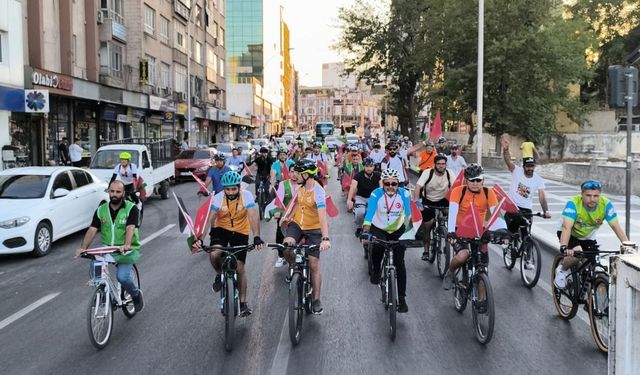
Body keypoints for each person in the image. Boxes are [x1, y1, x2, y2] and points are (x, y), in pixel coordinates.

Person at [192, 171, 265, 317]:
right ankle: (219, 274)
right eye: (227, 189)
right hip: (221, 230)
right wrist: (200, 239)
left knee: (240, 267)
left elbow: (252, 216)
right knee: (215, 254)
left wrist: (257, 237)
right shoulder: (218, 198)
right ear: (223, 189)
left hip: (240, 231)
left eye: (233, 189)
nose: (230, 192)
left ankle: (243, 303)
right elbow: (208, 220)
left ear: (239, 187)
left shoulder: (247, 196)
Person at [75, 180, 144, 312]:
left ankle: (135, 295)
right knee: (96, 269)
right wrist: (83, 248)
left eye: (118, 192)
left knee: (122, 276)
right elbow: (92, 230)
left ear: (123, 193)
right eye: (112, 191)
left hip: (127, 250)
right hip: (108, 248)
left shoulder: (131, 208)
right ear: (108, 192)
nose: (114, 194)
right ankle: (102, 293)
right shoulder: (101, 210)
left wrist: (127, 244)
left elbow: (130, 227)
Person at [553, 181, 628, 288]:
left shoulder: (606, 205)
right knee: (577, 254)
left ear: (600, 195)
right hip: (569, 233)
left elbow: (616, 227)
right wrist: (564, 247)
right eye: (588, 195)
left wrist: (627, 246)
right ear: (582, 194)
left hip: (588, 237)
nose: (592, 199)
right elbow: (567, 227)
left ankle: (587, 296)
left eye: (596, 196)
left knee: (594, 265)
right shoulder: (573, 203)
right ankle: (562, 270)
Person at [281, 159, 331, 314]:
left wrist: (325, 238)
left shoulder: (318, 191)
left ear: (307, 175)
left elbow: (323, 217)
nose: (295, 175)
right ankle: (294, 268)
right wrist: (287, 216)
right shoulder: (300, 188)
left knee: (313, 263)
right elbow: (296, 203)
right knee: (287, 246)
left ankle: (316, 300)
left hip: (314, 229)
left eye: (298, 173)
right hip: (297, 225)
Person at [442, 164, 502, 290]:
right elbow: (452, 213)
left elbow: (497, 215)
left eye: (478, 180)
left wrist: (502, 231)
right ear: (466, 180)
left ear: (483, 180)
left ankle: (481, 302)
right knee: (463, 255)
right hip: (460, 230)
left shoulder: (488, 192)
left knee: (483, 268)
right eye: (472, 180)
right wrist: (451, 232)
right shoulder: (458, 191)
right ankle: (450, 272)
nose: (475, 183)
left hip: (479, 231)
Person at [360, 168, 412, 313]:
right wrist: (365, 231)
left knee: (399, 263)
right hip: (379, 228)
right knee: (377, 248)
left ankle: (401, 299)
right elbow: (369, 214)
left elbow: (408, 216)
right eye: (387, 183)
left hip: (397, 229)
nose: (390, 187)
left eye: (393, 184)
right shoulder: (376, 194)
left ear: (398, 184)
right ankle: (376, 271)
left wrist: (410, 234)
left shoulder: (405, 194)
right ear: (382, 183)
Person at [502, 140, 551, 264]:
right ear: (523, 166)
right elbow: (508, 161)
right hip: (513, 207)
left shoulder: (538, 180)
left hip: (526, 209)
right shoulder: (517, 171)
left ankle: (528, 259)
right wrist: (506, 150)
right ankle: (508, 242)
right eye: (528, 166)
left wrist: (546, 211)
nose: (530, 168)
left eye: (532, 166)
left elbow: (542, 196)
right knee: (511, 229)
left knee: (526, 234)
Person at [414, 154, 452, 260]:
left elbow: (456, 188)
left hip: (443, 200)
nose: (441, 166)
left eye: (443, 164)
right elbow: (417, 187)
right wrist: (418, 203)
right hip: (428, 201)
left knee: (453, 215)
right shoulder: (428, 173)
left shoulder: (449, 173)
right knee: (428, 226)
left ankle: (452, 236)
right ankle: (426, 251)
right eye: (438, 164)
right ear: (434, 164)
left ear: (445, 165)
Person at [347, 158, 381, 237]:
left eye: (371, 166)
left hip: (373, 198)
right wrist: (349, 200)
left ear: (374, 167)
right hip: (360, 197)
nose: (369, 168)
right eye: (367, 166)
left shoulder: (378, 175)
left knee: (377, 212)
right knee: (360, 212)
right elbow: (353, 187)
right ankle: (359, 227)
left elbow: (382, 187)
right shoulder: (358, 175)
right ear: (364, 167)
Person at [272, 162, 298, 267]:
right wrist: (277, 212)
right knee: (279, 232)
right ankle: (281, 256)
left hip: (300, 215)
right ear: (289, 172)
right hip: (285, 214)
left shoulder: (303, 185)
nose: (294, 174)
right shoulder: (283, 184)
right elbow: (279, 200)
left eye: (297, 172)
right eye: (292, 172)